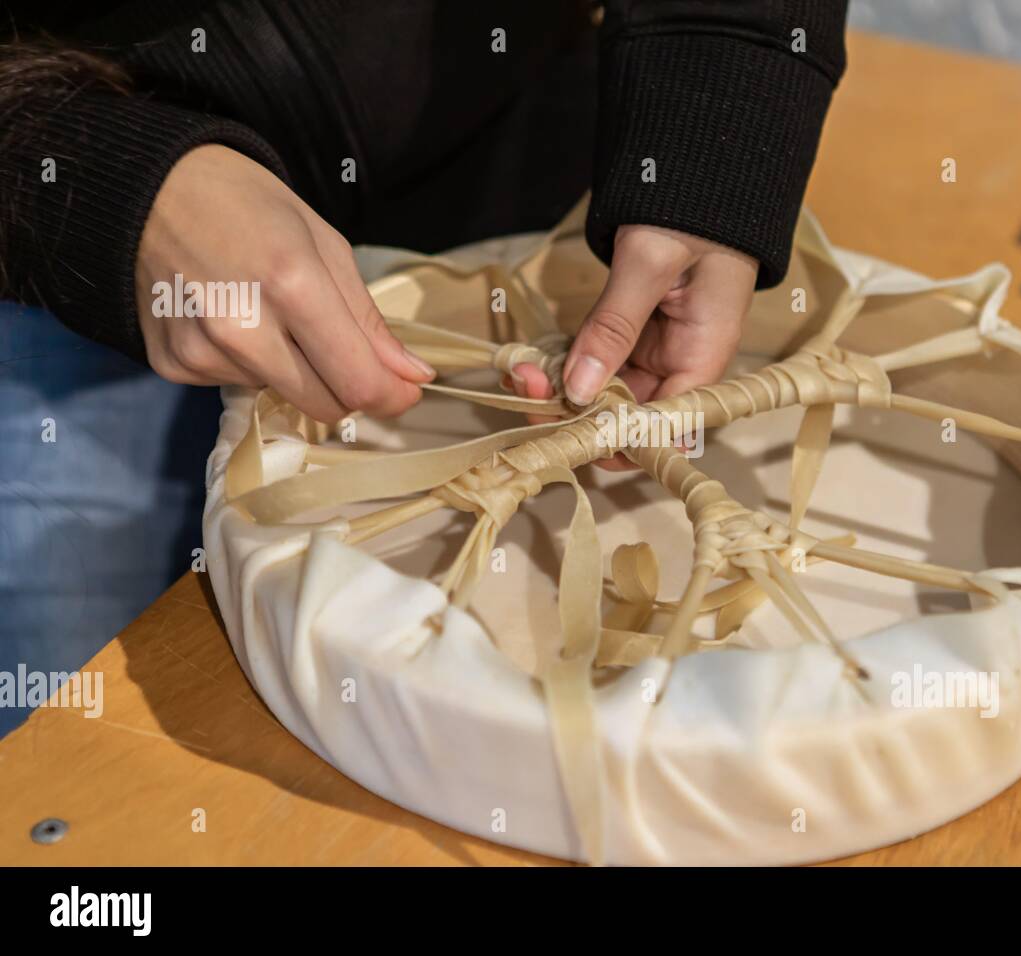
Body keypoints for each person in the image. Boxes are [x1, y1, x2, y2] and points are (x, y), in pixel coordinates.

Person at [0, 0, 848, 734]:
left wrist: (716, 106)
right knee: (83, 734)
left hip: (537, 134)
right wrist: (86, 175)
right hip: (59, 237)